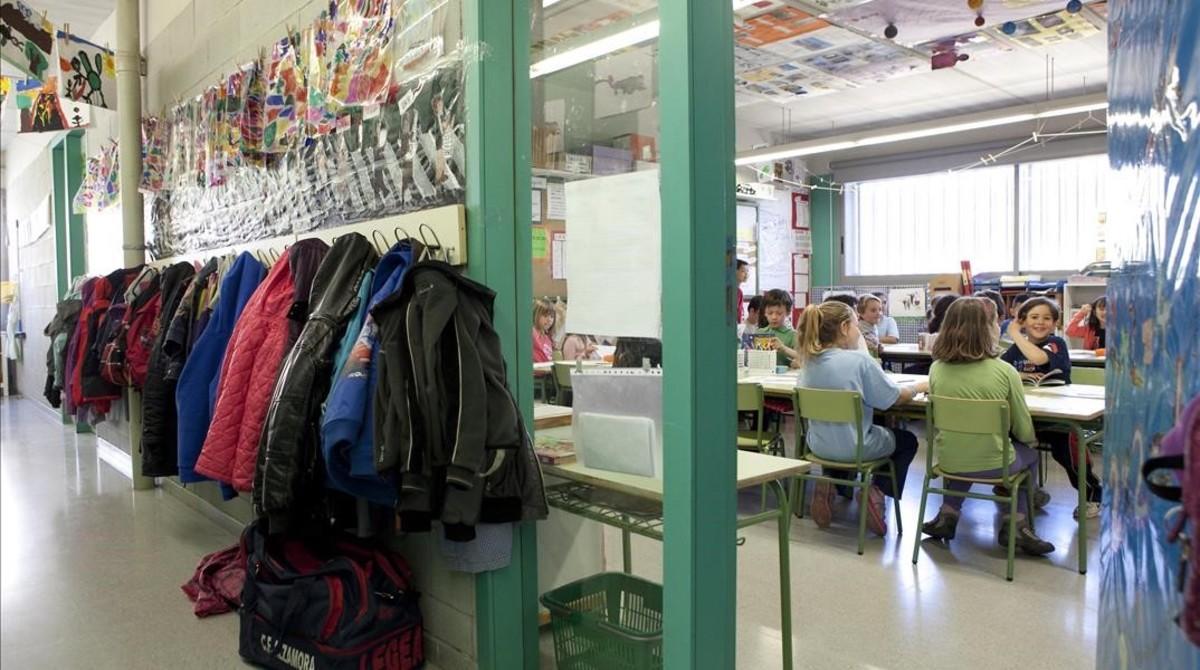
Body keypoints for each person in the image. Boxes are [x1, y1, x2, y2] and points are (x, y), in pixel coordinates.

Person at [920, 298, 1055, 556]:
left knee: (963, 449)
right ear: (988, 329)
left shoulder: (936, 369)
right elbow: (1023, 427)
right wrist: (1028, 440)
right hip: (996, 463)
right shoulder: (1004, 371)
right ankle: (1017, 524)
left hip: (948, 460)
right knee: (1029, 455)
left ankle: (947, 515)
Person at [796, 300, 928, 536]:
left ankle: (830, 483)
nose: (859, 331)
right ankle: (877, 492)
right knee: (906, 440)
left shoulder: (808, 361)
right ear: (845, 328)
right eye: (856, 325)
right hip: (856, 447)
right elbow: (892, 399)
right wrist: (919, 386)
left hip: (817, 446)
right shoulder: (860, 361)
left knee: (844, 432)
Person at [1002, 297, 1101, 517]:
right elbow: (999, 369)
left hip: (1059, 417)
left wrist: (1015, 333)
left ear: (1055, 323)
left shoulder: (1056, 343)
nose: (1040, 322)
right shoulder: (1016, 349)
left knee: (1069, 456)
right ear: (1023, 321)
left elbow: (1038, 358)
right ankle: (1027, 491)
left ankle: (1093, 495)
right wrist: (1020, 374)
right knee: (1011, 445)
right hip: (1027, 415)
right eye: (1034, 317)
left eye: (1047, 318)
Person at [760, 290, 799, 367]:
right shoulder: (759, 333)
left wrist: (784, 348)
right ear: (765, 312)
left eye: (779, 313)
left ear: (788, 312)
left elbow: (803, 357)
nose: (774, 317)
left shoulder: (793, 335)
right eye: (770, 313)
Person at [532, 298, 557, 363]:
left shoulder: (547, 339)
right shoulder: (532, 333)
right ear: (537, 315)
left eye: (552, 316)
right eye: (545, 316)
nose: (549, 320)